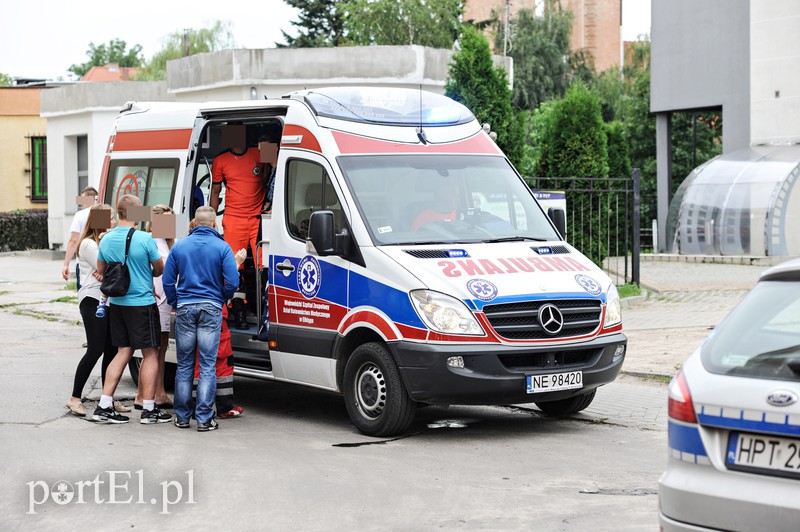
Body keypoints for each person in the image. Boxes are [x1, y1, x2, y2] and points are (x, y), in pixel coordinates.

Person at [162, 207, 244, 432]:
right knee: (208, 365)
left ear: (195, 223)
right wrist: (221, 298)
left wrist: (176, 302)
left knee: (185, 365)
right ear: (214, 225)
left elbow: (168, 281)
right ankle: (205, 419)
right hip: (211, 308)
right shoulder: (222, 247)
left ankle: (181, 416)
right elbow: (232, 282)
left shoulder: (179, 246)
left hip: (186, 308)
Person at [92, 194, 169, 425]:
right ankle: (148, 409)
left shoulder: (105, 239)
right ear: (138, 213)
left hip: (117, 304)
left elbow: (101, 270)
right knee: (151, 353)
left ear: (118, 212)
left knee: (123, 351)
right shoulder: (145, 239)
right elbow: (159, 269)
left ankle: (104, 404)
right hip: (142, 303)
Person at [65, 204, 130, 416]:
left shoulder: (104, 241)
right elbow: (113, 266)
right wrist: (107, 271)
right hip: (92, 299)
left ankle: (107, 399)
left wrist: (107, 272)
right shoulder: (87, 244)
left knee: (112, 350)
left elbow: (115, 266)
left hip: (109, 300)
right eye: (110, 218)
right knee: (95, 348)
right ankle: (74, 398)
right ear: (100, 221)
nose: (113, 221)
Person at [133, 204, 174, 410]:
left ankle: (159, 393)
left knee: (161, 349)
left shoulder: (165, 242)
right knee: (153, 350)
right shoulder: (149, 241)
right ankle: (143, 395)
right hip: (155, 300)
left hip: (164, 301)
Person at [210, 124, 267, 269]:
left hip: (259, 218)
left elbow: (276, 171)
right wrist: (211, 220)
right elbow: (215, 191)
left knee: (263, 263)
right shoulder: (220, 160)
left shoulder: (259, 152)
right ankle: (235, 290)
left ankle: (263, 289)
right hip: (234, 219)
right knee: (233, 264)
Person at [62, 186, 99, 283]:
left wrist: (66, 264)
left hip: (83, 262)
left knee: (84, 294)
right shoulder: (102, 212)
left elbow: (73, 240)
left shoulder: (80, 215)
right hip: (98, 260)